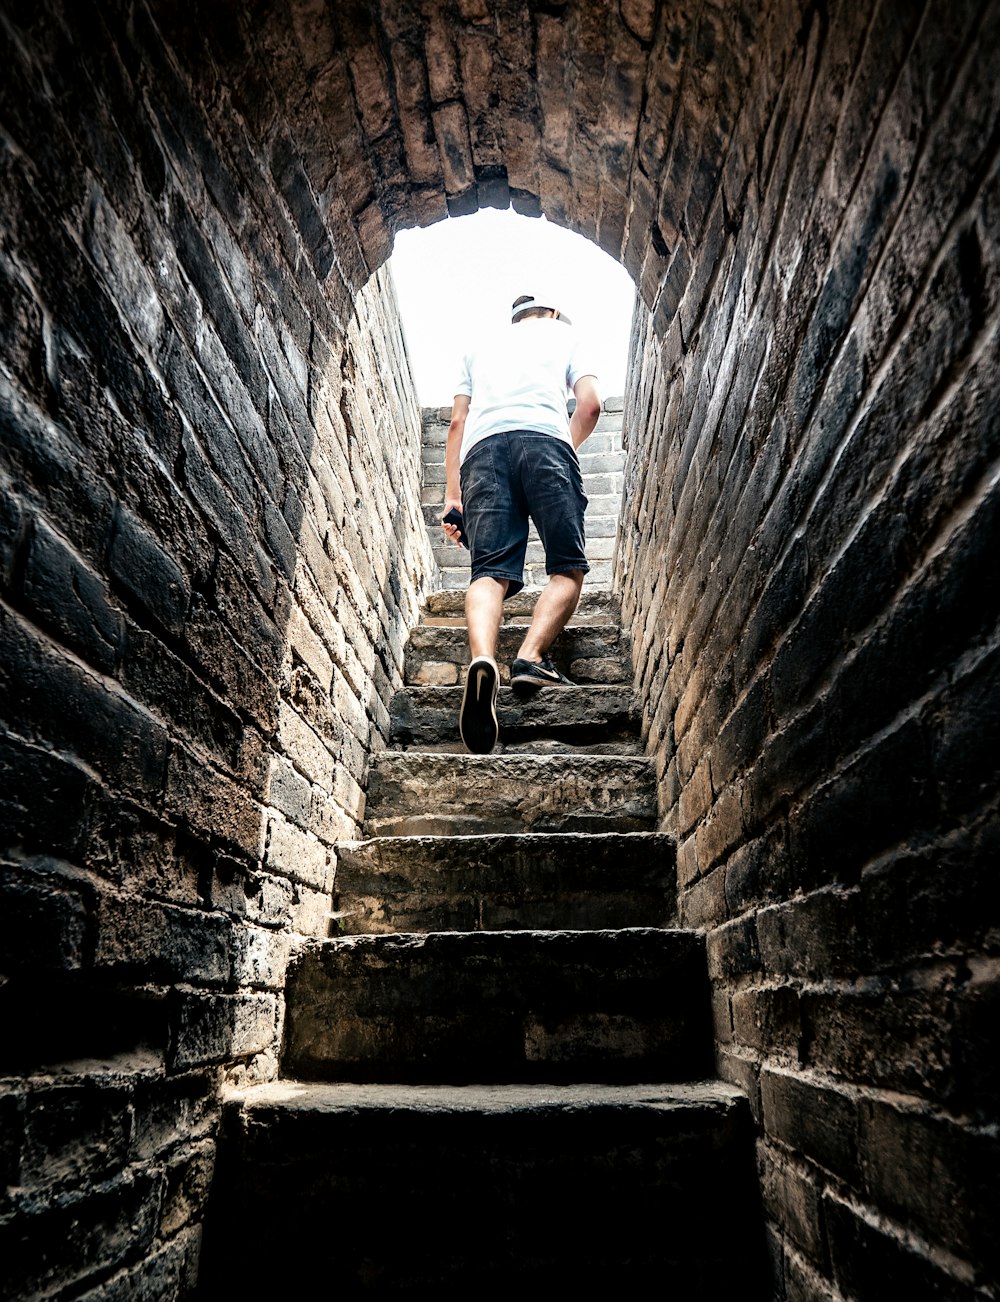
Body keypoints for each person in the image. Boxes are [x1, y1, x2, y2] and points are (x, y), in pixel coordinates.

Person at [441, 292, 602, 754]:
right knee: (567, 568)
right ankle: (531, 657)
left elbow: (457, 422)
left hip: (483, 453)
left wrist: (454, 497)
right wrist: (562, 445)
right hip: (546, 443)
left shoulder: (478, 345)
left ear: (514, 317)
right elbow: (589, 406)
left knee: (488, 573)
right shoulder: (566, 335)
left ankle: (483, 659)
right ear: (552, 313)